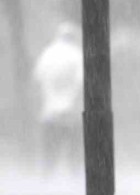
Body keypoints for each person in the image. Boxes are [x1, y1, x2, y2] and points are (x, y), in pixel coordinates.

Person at [33, 22, 83, 175]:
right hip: (70, 109)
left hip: (50, 109)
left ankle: (47, 173)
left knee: (50, 144)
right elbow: (81, 80)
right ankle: (74, 172)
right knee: (73, 144)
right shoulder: (76, 54)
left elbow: (37, 76)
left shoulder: (48, 53)